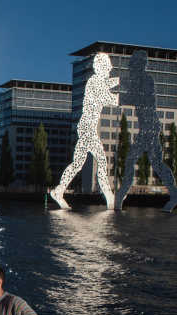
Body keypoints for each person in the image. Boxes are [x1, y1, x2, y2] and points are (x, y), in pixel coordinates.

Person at [115, 50, 177, 212]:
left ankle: (120, 196)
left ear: (139, 65)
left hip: (150, 128)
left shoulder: (146, 80)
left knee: (133, 160)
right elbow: (131, 94)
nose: (130, 69)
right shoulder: (139, 80)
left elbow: (135, 97)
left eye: (133, 66)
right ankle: (174, 193)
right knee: (154, 163)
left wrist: (117, 92)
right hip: (147, 128)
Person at [50, 52, 119, 210]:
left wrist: (123, 81)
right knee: (101, 161)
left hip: (85, 127)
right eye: (107, 67)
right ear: (100, 68)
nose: (109, 69)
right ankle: (109, 198)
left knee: (78, 163)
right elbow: (112, 99)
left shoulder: (97, 81)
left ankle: (59, 191)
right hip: (88, 128)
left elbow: (108, 83)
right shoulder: (95, 83)